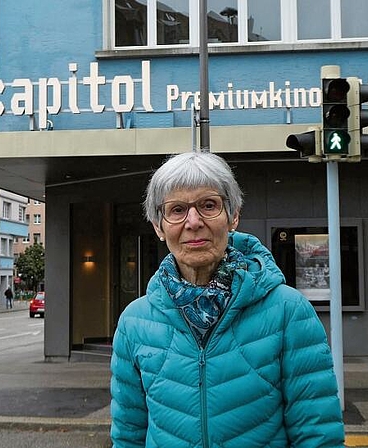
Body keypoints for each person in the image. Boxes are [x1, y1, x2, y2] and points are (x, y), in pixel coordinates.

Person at [110, 152, 344, 447]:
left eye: (209, 205)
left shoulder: (288, 311)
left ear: (233, 216)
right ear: (159, 226)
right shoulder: (135, 322)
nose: (193, 222)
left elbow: (318, 435)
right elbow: (128, 435)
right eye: (177, 210)